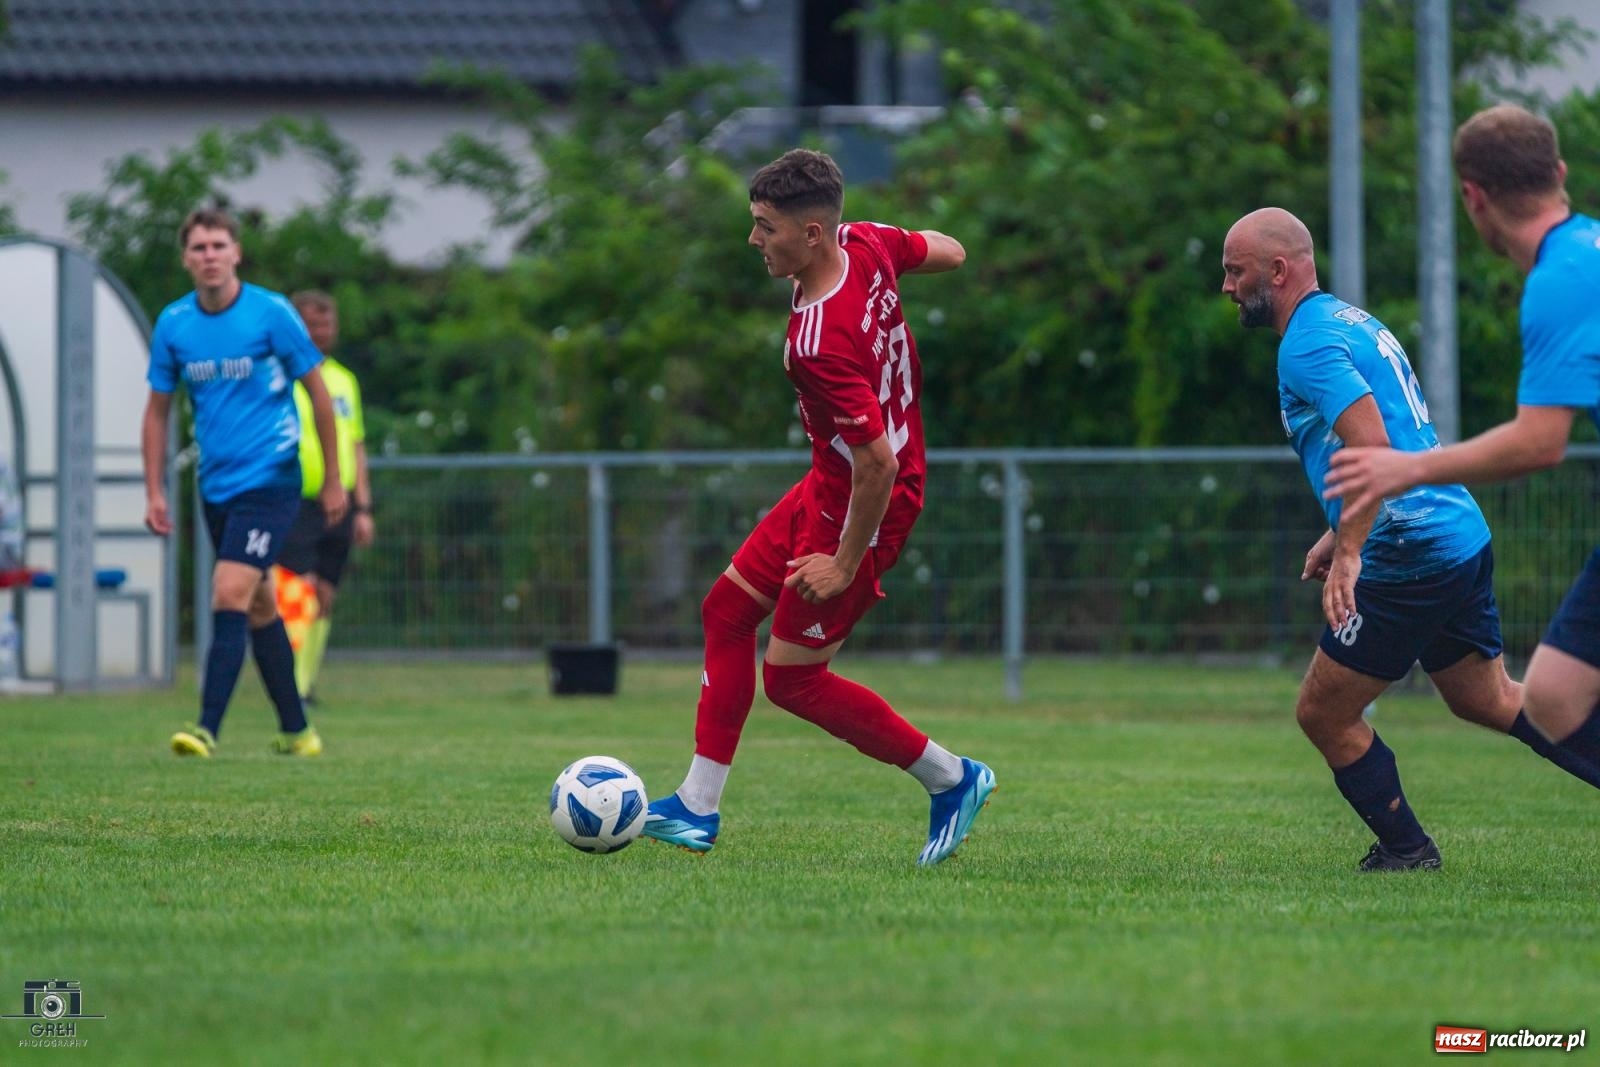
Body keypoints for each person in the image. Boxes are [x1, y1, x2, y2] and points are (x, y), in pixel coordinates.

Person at [641, 149, 994, 866]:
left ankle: (952, 778)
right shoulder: (866, 242)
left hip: (868, 503)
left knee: (794, 679)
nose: (753, 240)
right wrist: (895, 276)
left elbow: (878, 463)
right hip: (831, 483)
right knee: (727, 612)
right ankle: (697, 807)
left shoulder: (819, 341)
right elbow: (951, 251)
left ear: (811, 233)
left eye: (765, 226)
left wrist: (844, 562)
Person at [1221, 206, 1600, 871]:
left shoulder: (1304, 344)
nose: (1226, 286)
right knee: (1488, 698)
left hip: (1411, 552)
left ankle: (1407, 849)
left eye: (1235, 270)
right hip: (1457, 533)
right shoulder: (1348, 319)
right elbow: (1389, 439)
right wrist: (1335, 528)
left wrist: (1352, 551)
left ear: (1276, 271)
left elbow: (1372, 444)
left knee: (1322, 712)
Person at [1325, 104, 1600, 775]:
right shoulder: (1587, 249)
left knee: (1556, 696)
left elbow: (1539, 443)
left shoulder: (1561, 280)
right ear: (1559, 173)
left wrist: (1405, 469)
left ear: (1472, 197)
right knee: (1556, 695)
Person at [142, 208, 347, 757]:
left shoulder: (271, 313)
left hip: (272, 479)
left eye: (218, 245)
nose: (209, 256)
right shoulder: (175, 324)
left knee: (228, 589)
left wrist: (332, 479)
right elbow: (157, 412)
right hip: (216, 486)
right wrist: (155, 490)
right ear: (186, 258)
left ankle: (206, 728)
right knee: (258, 604)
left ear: (236, 253)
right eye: (199, 248)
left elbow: (319, 394)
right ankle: (297, 731)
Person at [275, 290, 374, 704]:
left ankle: (306, 682)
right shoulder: (278, 375)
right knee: (300, 590)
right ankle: (290, 685)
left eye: (326, 325)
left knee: (326, 595)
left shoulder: (343, 380)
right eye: (312, 324)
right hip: (294, 497)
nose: (320, 333)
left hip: (340, 501)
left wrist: (364, 506)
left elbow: (355, 444)